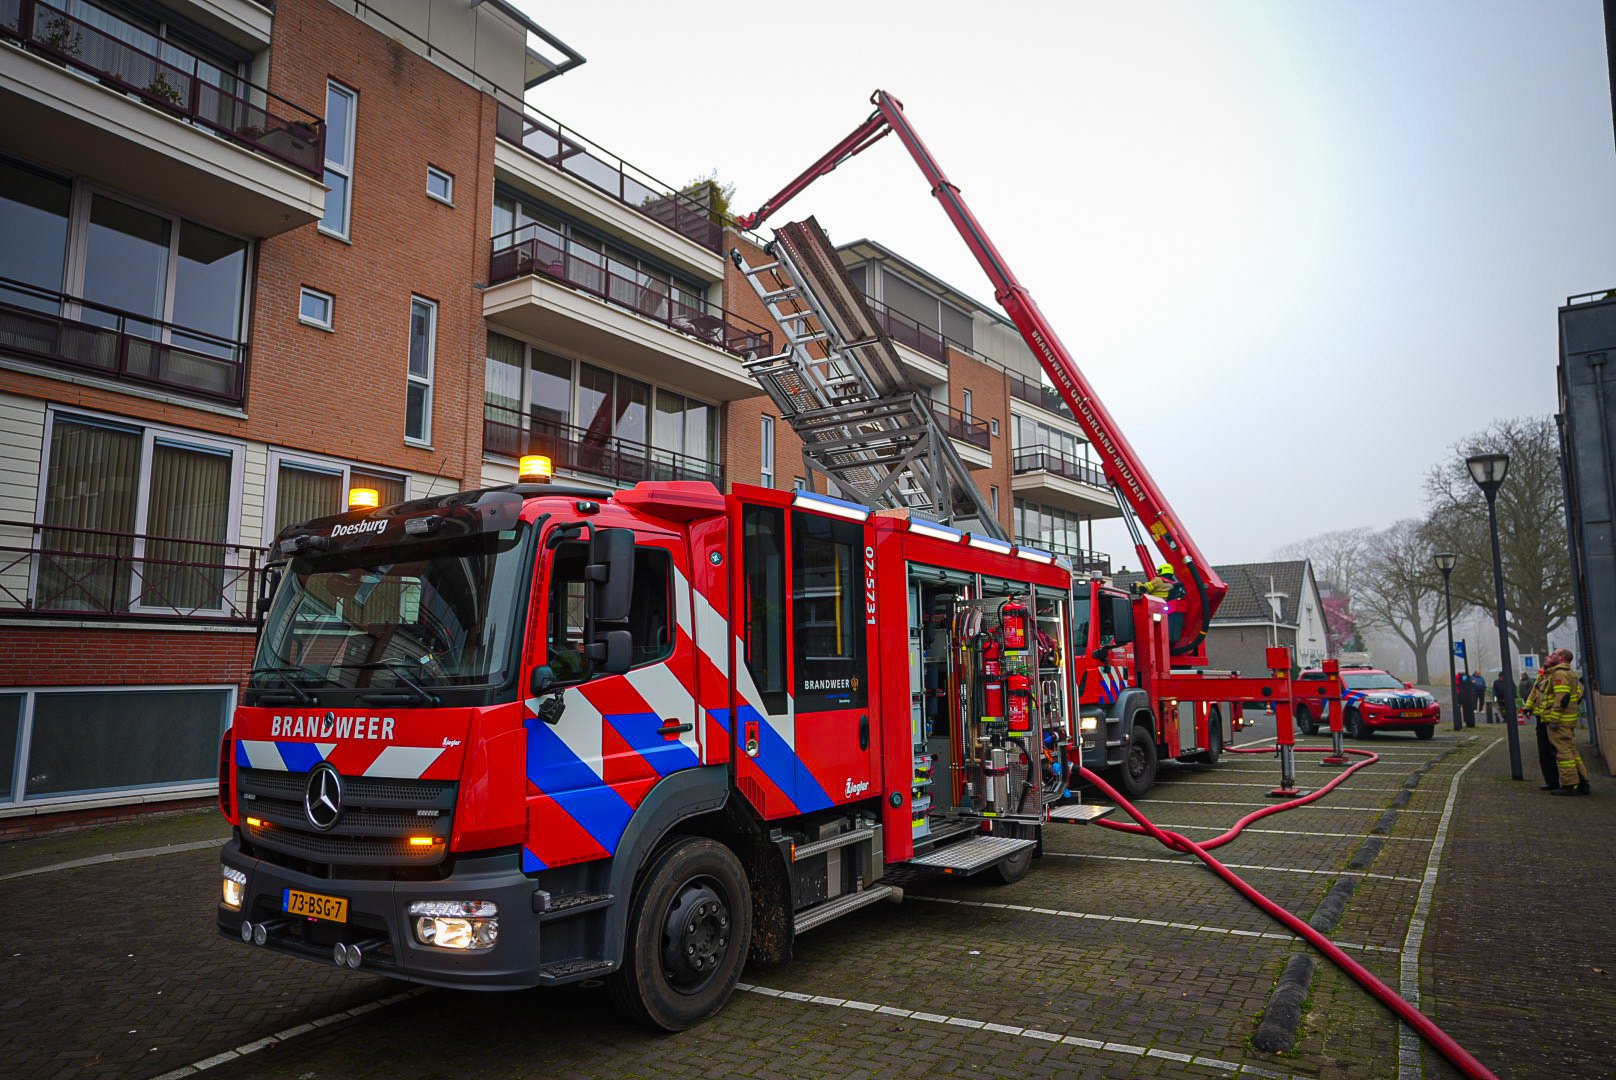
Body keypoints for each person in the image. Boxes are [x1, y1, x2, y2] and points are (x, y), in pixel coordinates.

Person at [1539, 649, 1591, 796]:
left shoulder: (1560, 674)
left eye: (1554, 654)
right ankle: (1582, 781)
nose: (1551, 656)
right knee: (1572, 751)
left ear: (1562, 658)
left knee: (1563, 753)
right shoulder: (1570, 673)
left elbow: (1560, 699)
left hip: (1560, 722)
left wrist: (1554, 719)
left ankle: (1569, 784)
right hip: (1568, 720)